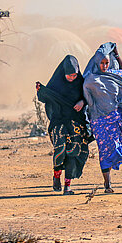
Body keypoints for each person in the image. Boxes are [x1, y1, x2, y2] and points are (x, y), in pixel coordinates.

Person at [83, 42, 122, 193]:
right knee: (104, 150)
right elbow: (87, 98)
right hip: (99, 120)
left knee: (116, 146)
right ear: (96, 62)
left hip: (116, 119)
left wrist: (117, 53)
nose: (104, 66)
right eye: (102, 63)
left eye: (107, 63)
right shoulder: (90, 79)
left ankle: (109, 178)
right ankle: (107, 183)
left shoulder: (113, 76)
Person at [36, 55, 92, 195]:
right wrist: (40, 91)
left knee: (74, 152)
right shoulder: (56, 83)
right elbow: (45, 96)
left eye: (74, 75)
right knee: (60, 150)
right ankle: (56, 175)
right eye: (69, 75)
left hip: (76, 122)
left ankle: (68, 186)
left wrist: (82, 102)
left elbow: (88, 97)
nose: (72, 78)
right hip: (59, 122)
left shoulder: (81, 82)